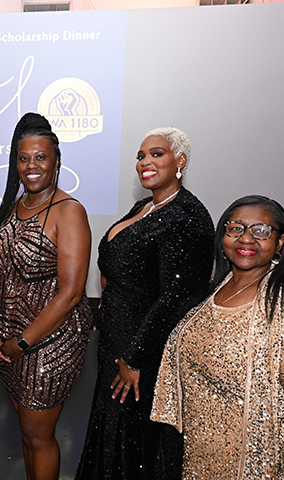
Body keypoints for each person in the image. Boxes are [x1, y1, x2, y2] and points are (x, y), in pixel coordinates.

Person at [151, 195, 284, 479]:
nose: (246, 238)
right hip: (196, 456)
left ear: (280, 242)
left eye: (261, 231)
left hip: (253, 466)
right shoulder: (216, 289)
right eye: (236, 228)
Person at [76, 127, 214, 480]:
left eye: (156, 154)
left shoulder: (187, 216)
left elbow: (177, 298)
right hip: (116, 344)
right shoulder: (146, 206)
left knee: (132, 444)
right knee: (112, 434)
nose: (145, 162)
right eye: (140, 156)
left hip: (143, 355)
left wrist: (136, 357)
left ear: (180, 160)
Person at [0, 112, 94, 480]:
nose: (31, 166)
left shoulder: (69, 211)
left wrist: (23, 342)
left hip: (48, 342)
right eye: (23, 158)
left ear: (57, 161)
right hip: (9, 341)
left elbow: (71, 293)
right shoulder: (13, 206)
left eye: (41, 157)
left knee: (38, 435)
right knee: (27, 432)